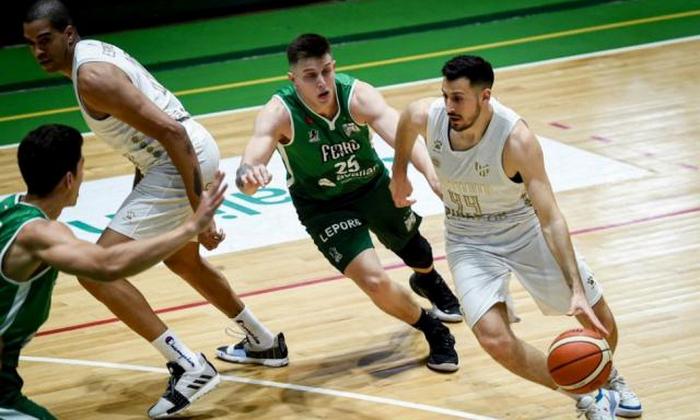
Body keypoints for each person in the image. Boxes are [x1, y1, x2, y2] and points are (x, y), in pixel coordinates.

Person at [23, 1, 288, 417]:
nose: (38, 51)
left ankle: (188, 366)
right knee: (184, 262)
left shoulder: (92, 77)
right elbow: (145, 139)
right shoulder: (92, 57)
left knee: (96, 268)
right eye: (31, 44)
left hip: (181, 154)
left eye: (45, 40)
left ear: (68, 34)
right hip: (177, 155)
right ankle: (263, 341)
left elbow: (170, 131)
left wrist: (203, 212)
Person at [390, 55, 643, 419]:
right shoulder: (427, 116)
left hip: (522, 229)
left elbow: (551, 217)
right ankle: (583, 394)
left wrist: (575, 288)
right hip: (467, 237)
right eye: (445, 95)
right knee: (494, 339)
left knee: (598, 317)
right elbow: (406, 120)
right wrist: (400, 173)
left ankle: (607, 376)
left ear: (485, 96)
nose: (448, 106)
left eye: (458, 98)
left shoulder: (516, 139)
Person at [235, 33, 460, 372]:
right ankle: (433, 328)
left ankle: (427, 279)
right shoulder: (278, 113)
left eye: (326, 71)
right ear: (293, 78)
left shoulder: (357, 95)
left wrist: (429, 172)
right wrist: (248, 177)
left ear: (334, 67)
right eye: (311, 75)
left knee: (417, 250)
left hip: (370, 185)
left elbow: (401, 132)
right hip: (323, 206)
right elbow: (248, 169)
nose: (322, 82)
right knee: (374, 281)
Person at [1, 124, 229, 419]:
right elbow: (107, 265)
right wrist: (190, 227)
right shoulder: (40, 234)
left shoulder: (8, 210)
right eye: (83, 165)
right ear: (70, 179)